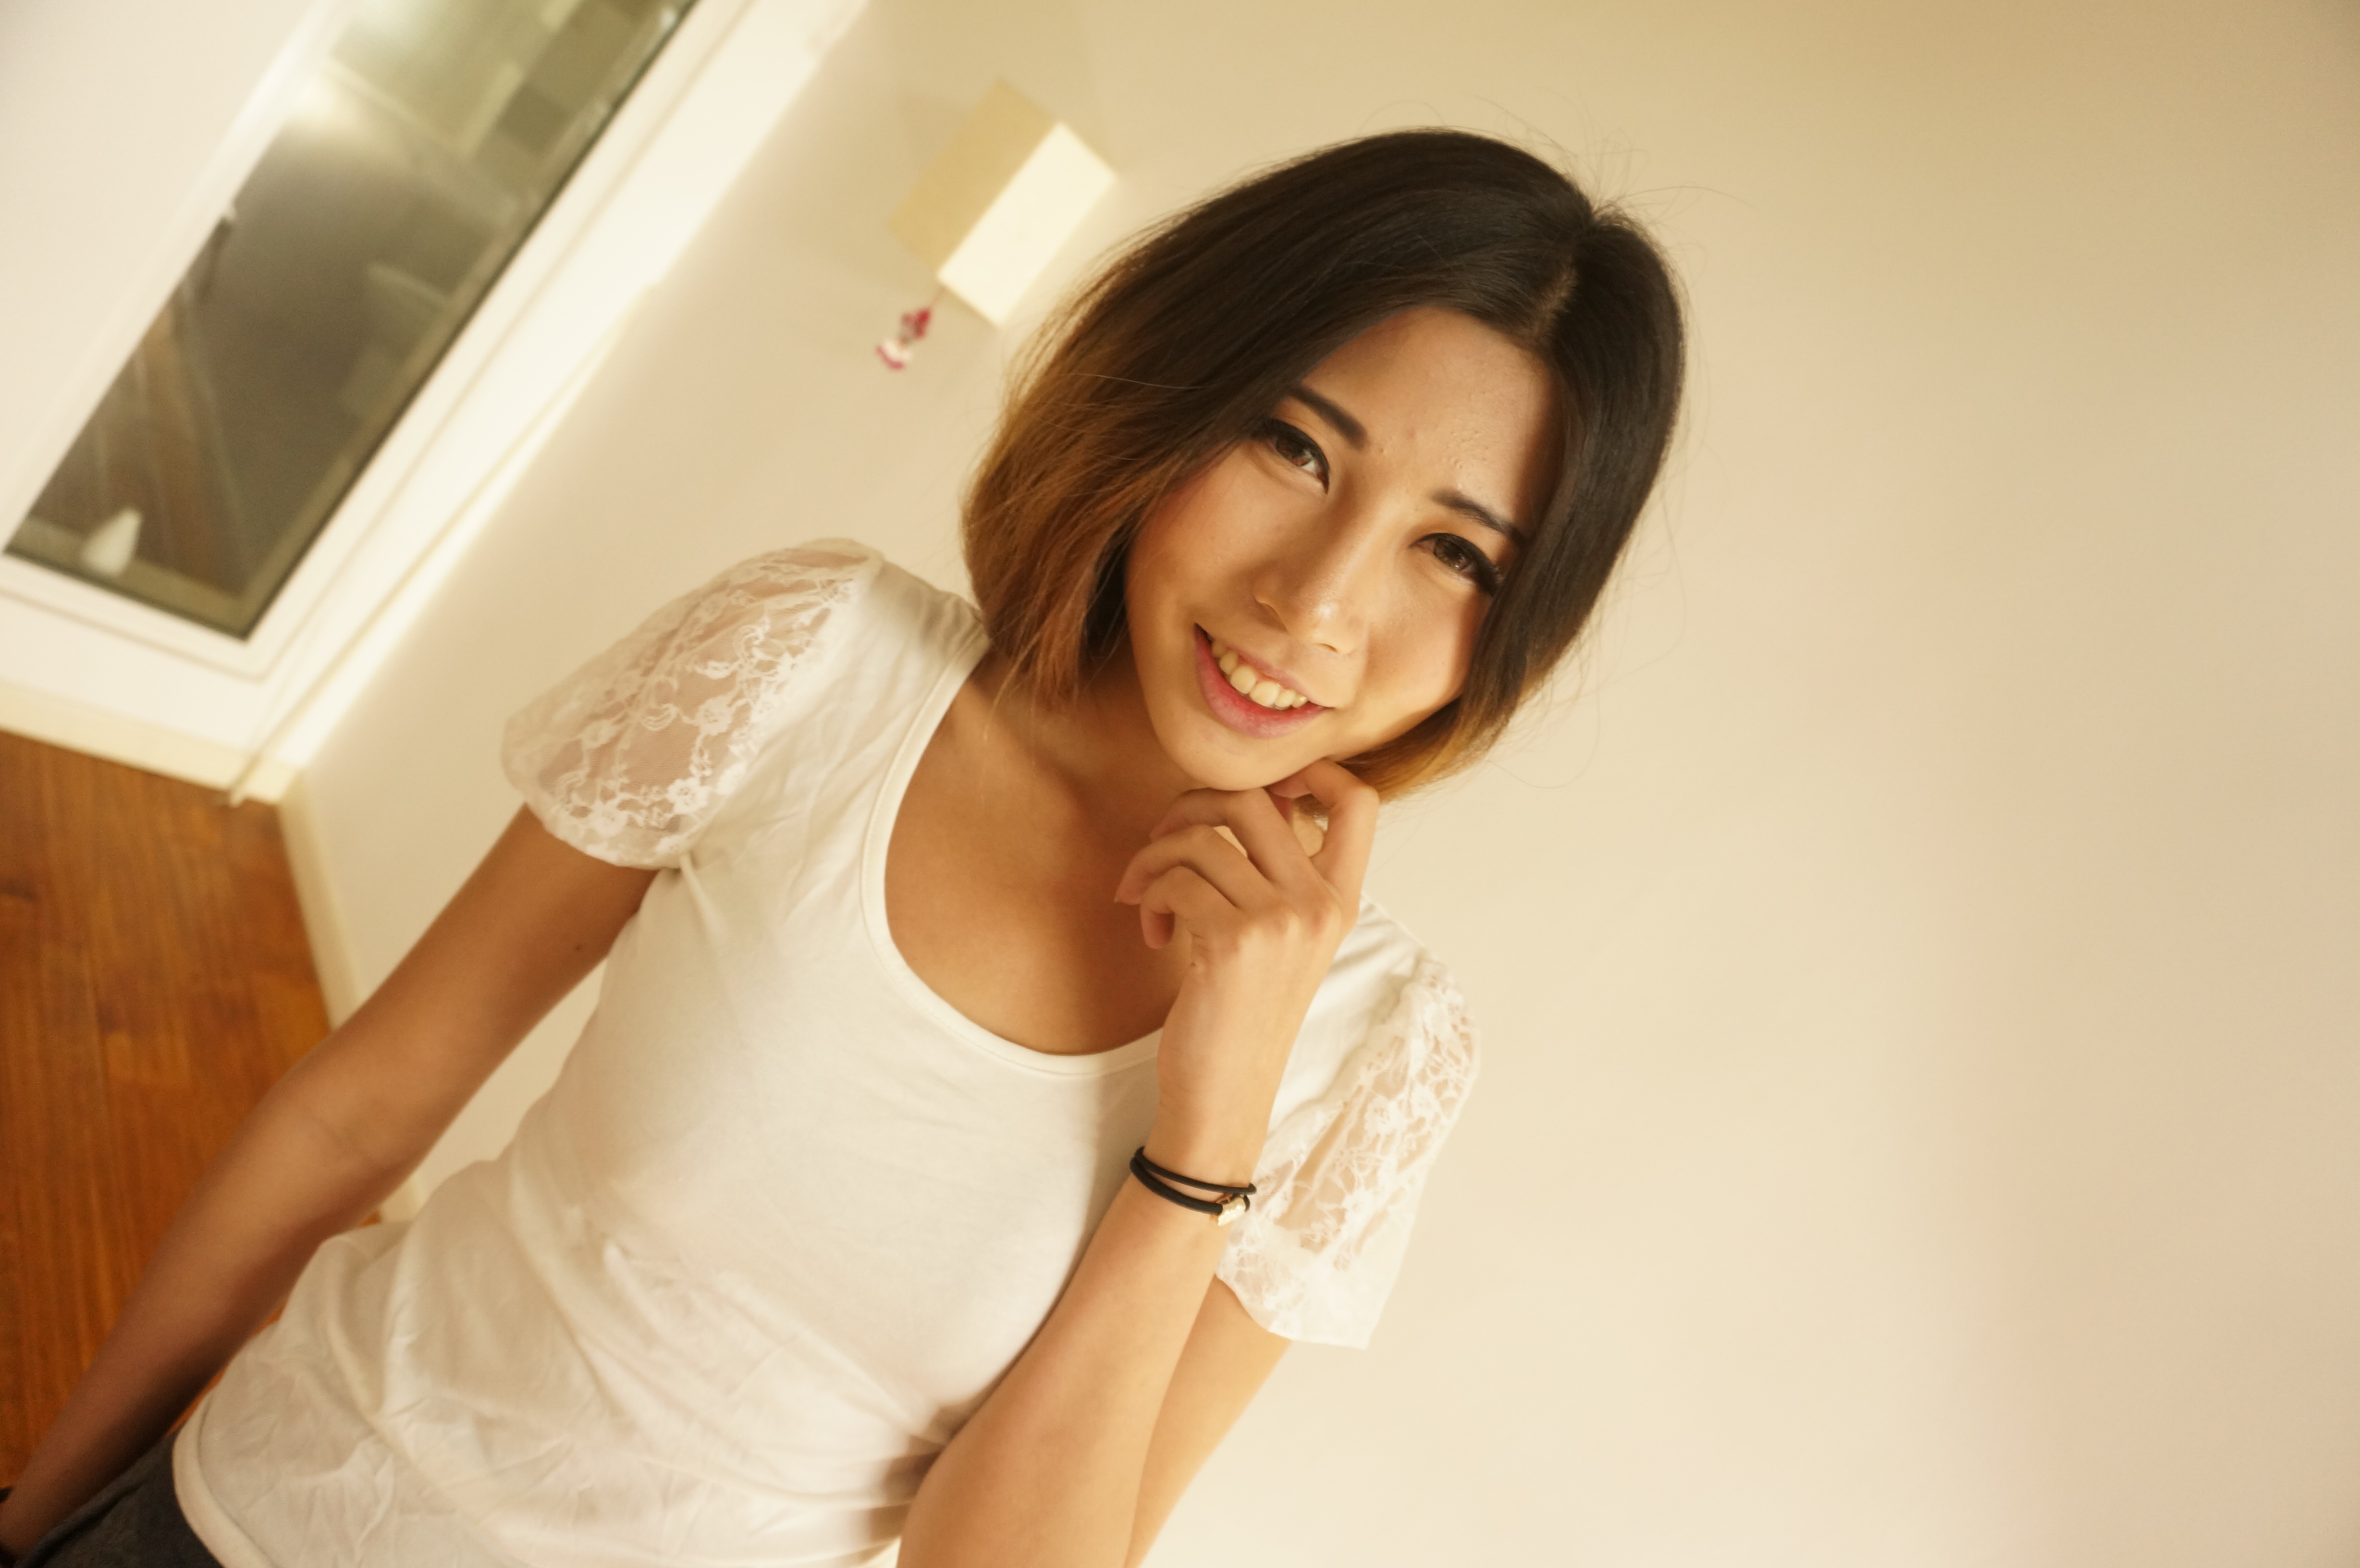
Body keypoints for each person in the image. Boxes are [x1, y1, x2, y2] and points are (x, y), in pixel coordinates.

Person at [0, 127, 1684, 1568]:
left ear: (1511, 624)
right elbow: (360, 1110)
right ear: (1170, 403)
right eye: (1295, 448)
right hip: (254, 1514)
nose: (1315, 601)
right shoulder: (812, 661)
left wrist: (1212, 1129)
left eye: (1456, 555)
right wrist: (40, 1520)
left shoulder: (1376, 1051)